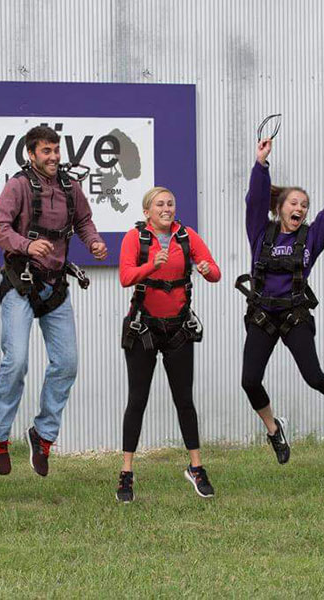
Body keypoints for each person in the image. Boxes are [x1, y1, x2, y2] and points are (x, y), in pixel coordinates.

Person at [0, 125, 107, 477]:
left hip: (55, 287)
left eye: (56, 150)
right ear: (31, 154)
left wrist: (94, 242)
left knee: (67, 363)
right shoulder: (18, 186)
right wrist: (25, 245)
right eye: (46, 151)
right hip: (20, 282)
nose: (53, 156)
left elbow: (84, 221)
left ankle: (43, 435)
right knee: (17, 361)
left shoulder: (71, 187)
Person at [237, 138, 324, 465]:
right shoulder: (259, 232)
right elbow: (254, 200)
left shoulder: (311, 237)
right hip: (262, 315)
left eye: (304, 205)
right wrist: (261, 165)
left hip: (294, 316)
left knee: (313, 377)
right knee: (250, 380)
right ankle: (273, 429)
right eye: (294, 203)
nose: (300, 209)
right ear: (280, 208)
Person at [115, 186, 221, 502]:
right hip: (143, 328)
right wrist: (152, 266)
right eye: (160, 204)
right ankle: (126, 473)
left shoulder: (186, 237)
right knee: (137, 399)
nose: (166, 208)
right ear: (147, 211)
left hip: (178, 329)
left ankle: (196, 467)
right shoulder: (136, 238)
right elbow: (125, 277)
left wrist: (206, 270)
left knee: (184, 399)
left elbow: (215, 271)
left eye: (170, 204)